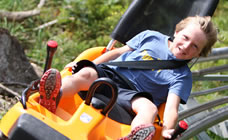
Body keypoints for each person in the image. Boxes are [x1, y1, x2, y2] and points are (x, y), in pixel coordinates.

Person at [38, 15, 217, 139]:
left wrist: (168, 130)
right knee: (85, 74)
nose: (186, 46)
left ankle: (135, 136)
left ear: (199, 54)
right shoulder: (151, 37)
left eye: (194, 46)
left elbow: (171, 107)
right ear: (177, 32)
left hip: (135, 95)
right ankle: (53, 96)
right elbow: (116, 53)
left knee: (149, 110)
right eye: (185, 37)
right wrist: (89, 63)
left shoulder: (182, 75)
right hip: (110, 74)